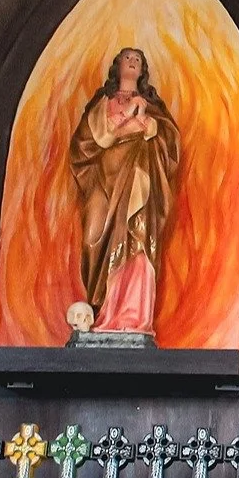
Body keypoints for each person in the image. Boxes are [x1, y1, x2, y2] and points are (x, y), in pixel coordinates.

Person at [69, 46, 180, 335]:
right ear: (117, 66)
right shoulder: (102, 102)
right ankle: (99, 306)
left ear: (143, 70)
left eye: (138, 60)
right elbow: (86, 141)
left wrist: (150, 124)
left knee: (138, 237)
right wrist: (127, 122)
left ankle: (132, 316)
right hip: (103, 179)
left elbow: (168, 140)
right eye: (127, 58)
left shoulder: (152, 104)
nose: (132, 63)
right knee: (93, 237)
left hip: (138, 178)